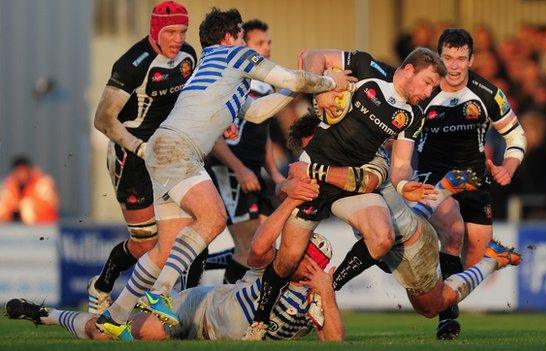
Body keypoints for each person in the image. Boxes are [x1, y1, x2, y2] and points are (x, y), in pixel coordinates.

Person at [95, 7, 355, 340]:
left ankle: (115, 316)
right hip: (178, 149)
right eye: (243, 34)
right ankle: (159, 292)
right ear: (231, 36)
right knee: (214, 218)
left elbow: (258, 112)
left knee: (165, 247)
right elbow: (294, 78)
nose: (247, 41)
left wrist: (293, 92)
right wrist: (330, 82)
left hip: (163, 149)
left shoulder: (214, 68)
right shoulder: (235, 55)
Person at [244, 48, 446, 339]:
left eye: (433, 87)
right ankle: (260, 320)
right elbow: (314, 54)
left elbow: (400, 164)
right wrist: (321, 87)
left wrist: (403, 185)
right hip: (313, 170)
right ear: (408, 70)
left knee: (382, 236)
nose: (428, 92)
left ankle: (326, 289)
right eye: (427, 82)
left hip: (351, 181)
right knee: (288, 258)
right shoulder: (369, 68)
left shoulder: (414, 115)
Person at [5, 230, 344, 341]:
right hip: (197, 309)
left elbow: (335, 342)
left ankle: (179, 276)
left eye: (299, 250)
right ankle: (47, 314)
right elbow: (258, 247)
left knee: (108, 332)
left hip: (209, 332)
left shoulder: (318, 296)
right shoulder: (271, 271)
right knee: (107, 333)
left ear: (312, 262)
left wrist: (327, 293)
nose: (290, 250)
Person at [414, 28, 526, 339]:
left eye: (461, 59)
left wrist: (509, 166)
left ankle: (475, 273)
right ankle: (447, 320)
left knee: (475, 259)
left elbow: (516, 135)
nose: (454, 65)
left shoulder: (487, 94)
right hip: (433, 180)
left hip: (474, 179)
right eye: (447, 58)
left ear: (471, 60)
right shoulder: (424, 90)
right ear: (439, 58)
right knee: (453, 231)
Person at [89, 0, 198, 315]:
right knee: (145, 243)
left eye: (182, 31)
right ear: (155, 30)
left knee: (184, 231)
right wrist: (139, 148)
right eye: (171, 31)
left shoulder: (188, 56)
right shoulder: (132, 65)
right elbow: (103, 120)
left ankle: (165, 298)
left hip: (167, 154)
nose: (177, 38)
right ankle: (102, 286)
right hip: (131, 156)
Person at [205, 19, 286, 284]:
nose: (267, 49)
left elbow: (262, 137)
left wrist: (274, 174)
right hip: (230, 172)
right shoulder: (230, 83)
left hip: (253, 173)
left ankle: (204, 263)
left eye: (269, 43)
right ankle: (225, 309)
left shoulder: (266, 86)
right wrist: (239, 169)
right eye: (259, 43)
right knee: (250, 247)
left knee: (264, 244)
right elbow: (213, 136)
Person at [0, 156, 59, 224]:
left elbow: (51, 205)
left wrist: (26, 206)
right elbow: (6, 203)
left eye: (23, 171)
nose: (21, 175)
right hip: (17, 225)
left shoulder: (42, 182)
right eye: (18, 171)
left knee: (26, 207)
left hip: (45, 226)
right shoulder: (10, 183)